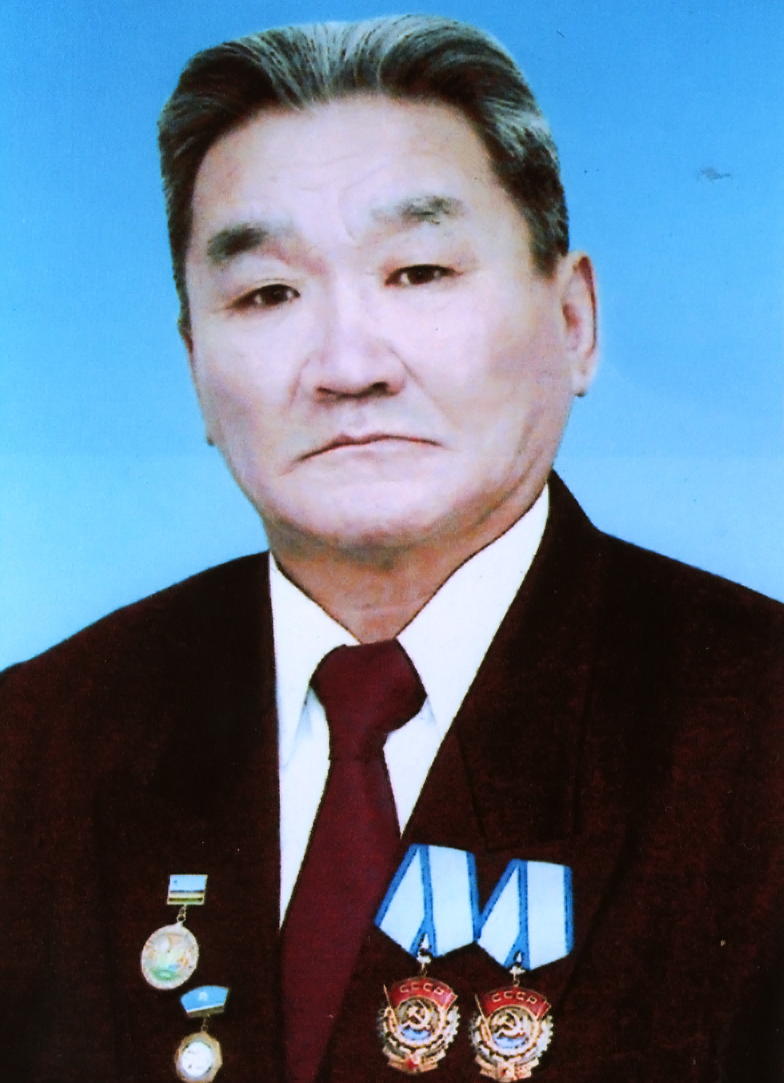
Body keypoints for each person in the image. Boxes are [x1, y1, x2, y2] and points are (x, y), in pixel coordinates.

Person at [0, 14, 781, 1083]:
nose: (348, 365)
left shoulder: (755, 728)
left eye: (417, 271)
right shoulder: (35, 744)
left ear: (573, 320)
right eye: (267, 293)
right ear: (195, 368)